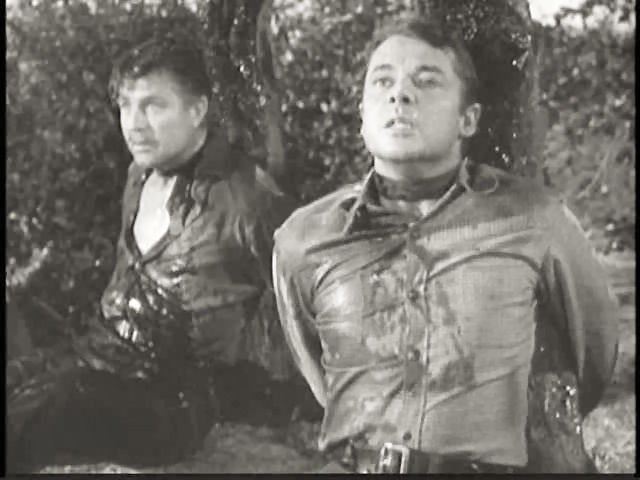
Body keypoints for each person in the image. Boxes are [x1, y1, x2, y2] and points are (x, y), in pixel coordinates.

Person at [272, 15, 619, 474]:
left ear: (467, 119)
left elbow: (593, 350)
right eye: (382, 82)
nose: (399, 94)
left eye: (427, 80)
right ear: (362, 117)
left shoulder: (533, 218)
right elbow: (318, 371)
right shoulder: (304, 238)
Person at [7, 30, 300, 472]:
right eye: (126, 105)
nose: (134, 123)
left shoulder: (248, 197)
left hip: (177, 398)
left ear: (197, 110)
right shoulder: (139, 175)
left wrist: (270, 395)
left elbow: (308, 298)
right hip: (102, 360)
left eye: (153, 106)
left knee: (55, 403)